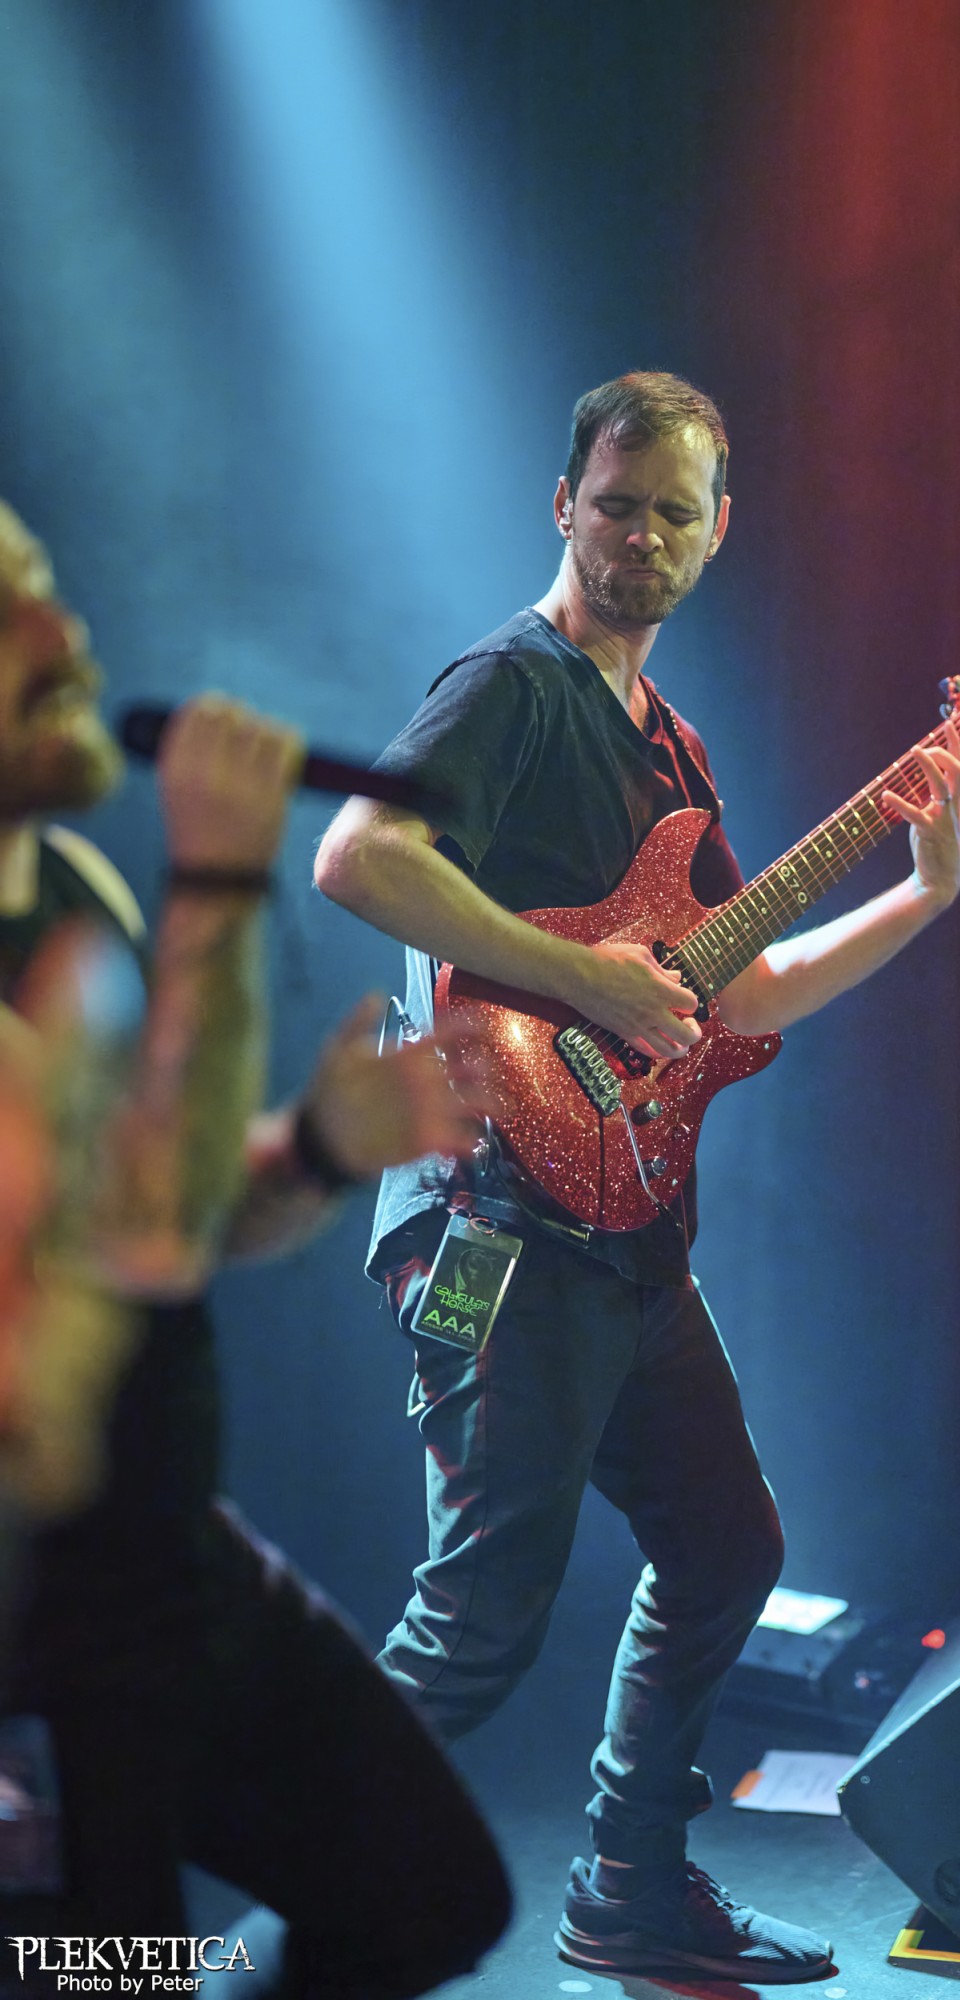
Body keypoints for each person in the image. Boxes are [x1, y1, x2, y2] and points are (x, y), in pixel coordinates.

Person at [315, 371, 960, 1985]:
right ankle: (254, 1923)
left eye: (676, 512)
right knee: (474, 1627)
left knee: (727, 1548)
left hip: (624, 1237)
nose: (643, 537)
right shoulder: (511, 686)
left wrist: (923, 890)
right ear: (564, 504)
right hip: (491, 1227)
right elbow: (358, 857)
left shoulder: (671, 753)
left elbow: (741, 991)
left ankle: (629, 1887)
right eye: (617, 504)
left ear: (718, 530)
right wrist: (580, 976)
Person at [0, 499, 511, 1996]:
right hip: (33, 1591)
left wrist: (322, 1151)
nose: (62, 635)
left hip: (160, 1552)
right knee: (110, 1965)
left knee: (426, 1901)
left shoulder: (69, 893)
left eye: (44, 586)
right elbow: (145, 1239)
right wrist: (223, 885)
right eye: (5, 612)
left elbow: (178, 1205)